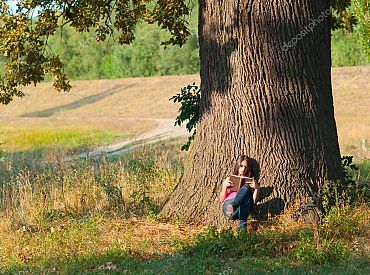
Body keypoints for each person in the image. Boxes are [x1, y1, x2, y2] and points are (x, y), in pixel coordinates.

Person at [220, 155, 260, 229]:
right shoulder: (229, 179)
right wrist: (224, 186)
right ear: (237, 166)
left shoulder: (250, 181)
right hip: (228, 206)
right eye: (241, 166)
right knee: (242, 204)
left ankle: (242, 233)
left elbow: (253, 202)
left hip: (240, 210)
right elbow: (222, 200)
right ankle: (233, 205)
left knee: (245, 197)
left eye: (245, 167)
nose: (243, 169)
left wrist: (257, 188)